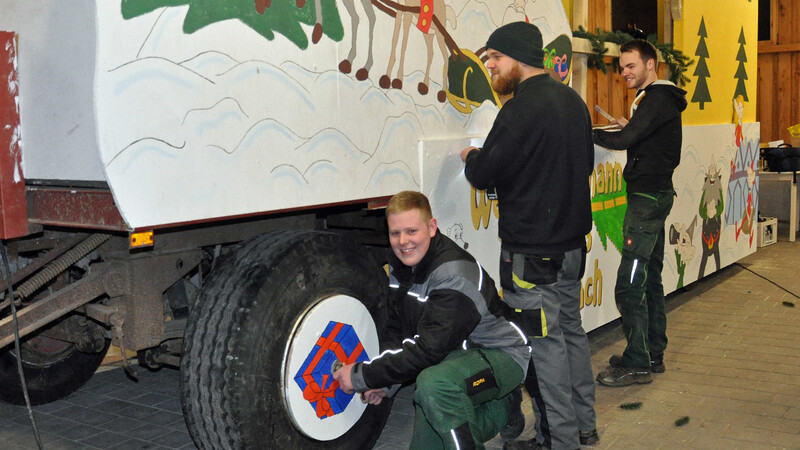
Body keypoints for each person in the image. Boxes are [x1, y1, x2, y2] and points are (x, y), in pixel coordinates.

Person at [459, 22, 597, 450]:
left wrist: (470, 155)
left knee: (545, 346)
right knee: (571, 335)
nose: (491, 68)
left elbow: (484, 174)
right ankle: (584, 426)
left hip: (532, 259)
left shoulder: (518, 110)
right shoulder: (574, 102)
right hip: (573, 249)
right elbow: (584, 165)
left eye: (495, 59)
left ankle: (561, 440)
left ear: (517, 58)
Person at [334, 191, 531, 450]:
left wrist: (362, 376)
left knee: (433, 387)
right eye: (395, 233)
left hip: (501, 355)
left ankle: (504, 398)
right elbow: (398, 329)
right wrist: (384, 382)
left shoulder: (454, 274)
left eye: (411, 231)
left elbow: (429, 350)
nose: (403, 241)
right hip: (450, 359)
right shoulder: (400, 265)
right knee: (431, 426)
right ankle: (503, 408)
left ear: (432, 227)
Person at [592, 39, 687, 387]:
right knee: (652, 276)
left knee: (629, 285)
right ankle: (652, 352)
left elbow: (622, 141)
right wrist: (630, 125)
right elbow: (641, 135)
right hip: (656, 195)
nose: (625, 72)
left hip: (646, 200)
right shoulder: (657, 101)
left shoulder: (657, 99)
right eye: (622, 67)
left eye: (631, 66)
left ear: (651, 64)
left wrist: (587, 132)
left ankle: (636, 363)